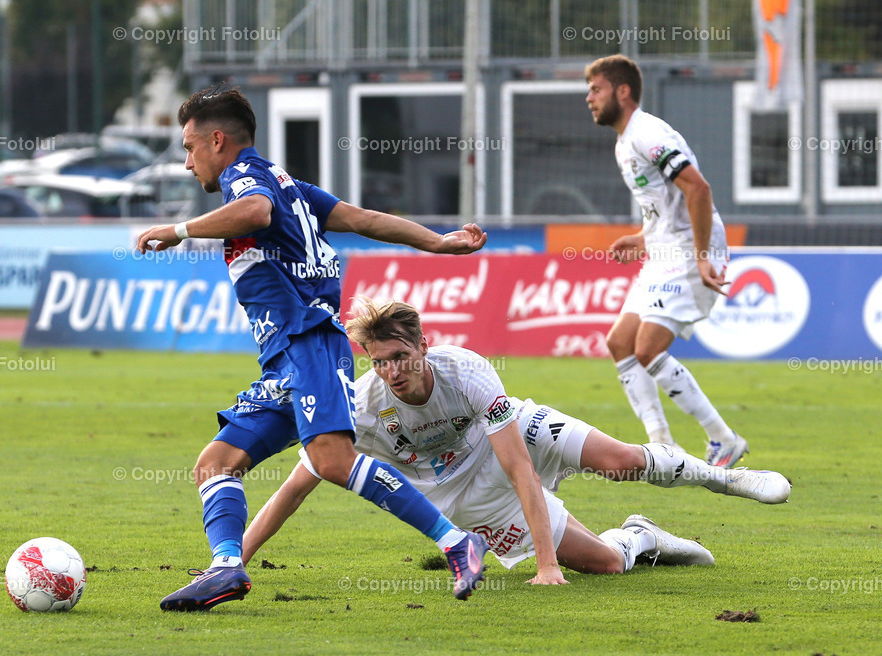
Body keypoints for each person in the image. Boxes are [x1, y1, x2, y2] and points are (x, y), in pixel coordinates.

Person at [136, 87, 491, 611]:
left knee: (331, 460)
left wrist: (179, 230)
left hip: (309, 342)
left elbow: (254, 212)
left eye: (191, 148)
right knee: (216, 463)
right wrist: (436, 241)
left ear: (218, 140)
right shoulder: (292, 186)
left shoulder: (247, 181)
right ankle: (226, 569)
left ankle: (456, 541)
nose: (189, 163)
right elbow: (365, 219)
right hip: (285, 356)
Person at [242, 300, 790, 580]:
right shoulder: (361, 410)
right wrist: (231, 561)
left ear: (424, 346)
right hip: (463, 495)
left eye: (401, 358)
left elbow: (519, 466)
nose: (392, 372)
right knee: (606, 565)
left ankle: (727, 476)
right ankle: (640, 536)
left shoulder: (469, 373)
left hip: (506, 437)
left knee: (621, 459)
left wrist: (546, 566)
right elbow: (293, 489)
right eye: (380, 363)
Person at [585, 54, 747, 467]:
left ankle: (723, 438)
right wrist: (643, 237)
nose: (590, 98)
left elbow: (698, 189)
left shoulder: (648, 133)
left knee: (648, 347)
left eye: (596, 89)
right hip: (664, 249)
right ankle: (661, 442)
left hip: (689, 249)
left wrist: (703, 255)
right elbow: (666, 203)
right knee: (620, 342)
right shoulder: (625, 142)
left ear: (623, 91)